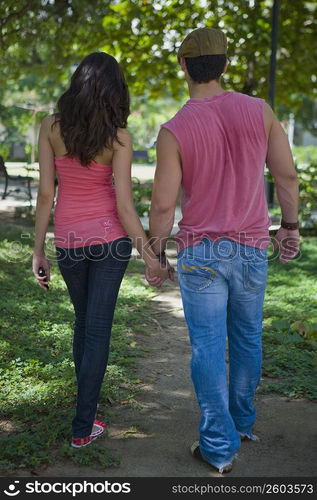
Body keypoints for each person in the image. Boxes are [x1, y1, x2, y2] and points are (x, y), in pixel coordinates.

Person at [148, 27, 300, 473]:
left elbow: (162, 205)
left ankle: (218, 446)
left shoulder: (174, 130)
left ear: (183, 67)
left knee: (209, 348)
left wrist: (156, 257)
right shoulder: (260, 111)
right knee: (248, 338)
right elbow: (286, 178)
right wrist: (289, 227)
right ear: (226, 65)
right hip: (253, 248)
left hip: (202, 254)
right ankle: (243, 422)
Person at [32, 52, 170, 448]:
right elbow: (125, 206)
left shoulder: (51, 127)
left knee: (83, 324)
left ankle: (85, 415)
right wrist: (151, 258)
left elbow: (46, 195)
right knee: (96, 329)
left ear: (77, 84)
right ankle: (82, 425)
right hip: (110, 242)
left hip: (68, 241)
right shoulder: (118, 137)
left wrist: (38, 250)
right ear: (114, 92)